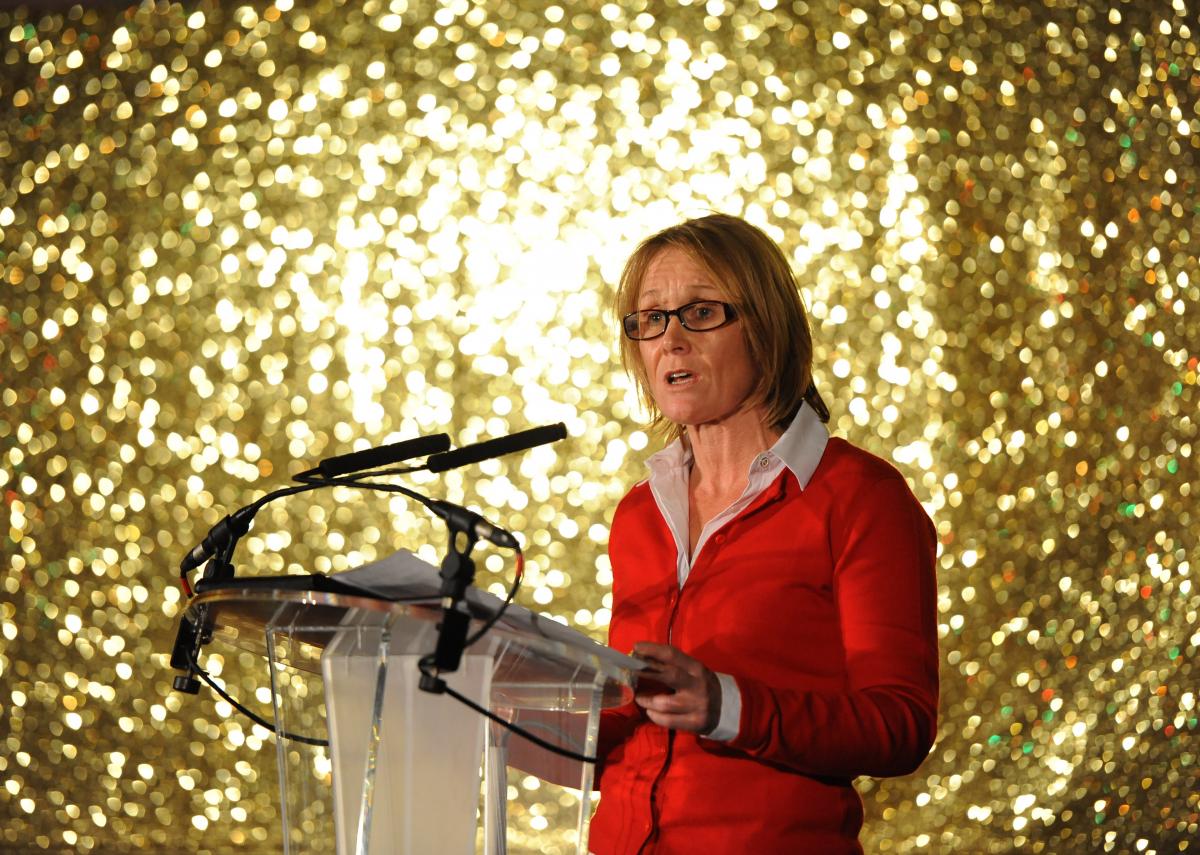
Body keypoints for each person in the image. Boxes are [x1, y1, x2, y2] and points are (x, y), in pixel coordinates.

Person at [588, 214, 939, 854]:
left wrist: (725, 705)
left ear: (767, 327)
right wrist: (500, 699)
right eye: (650, 319)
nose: (670, 340)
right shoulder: (639, 513)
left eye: (700, 313)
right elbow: (632, 724)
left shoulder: (860, 498)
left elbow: (899, 725)